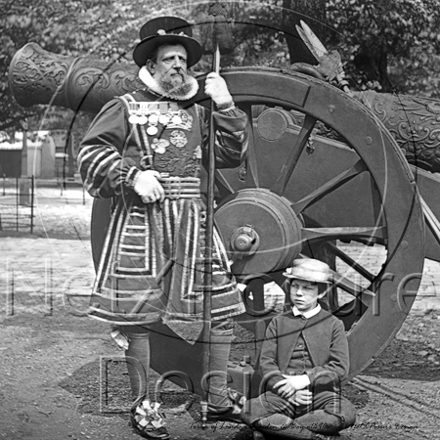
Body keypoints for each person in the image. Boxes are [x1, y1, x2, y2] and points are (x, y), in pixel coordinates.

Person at [78, 16, 249, 440]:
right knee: (139, 316)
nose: (178, 65)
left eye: (183, 58)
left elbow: (232, 154)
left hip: (193, 221)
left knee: (222, 308)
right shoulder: (124, 107)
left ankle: (217, 399)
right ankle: (144, 407)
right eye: (168, 58)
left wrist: (226, 106)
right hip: (143, 222)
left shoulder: (200, 110)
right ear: (151, 66)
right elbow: (89, 154)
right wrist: (132, 176)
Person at [241, 258, 356, 439]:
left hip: (319, 396)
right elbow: (266, 363)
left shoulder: (334, 324)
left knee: (345, 413)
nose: (299, 294)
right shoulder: (278, 322)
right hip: (282, 394)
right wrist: (286, 388)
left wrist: (303, 381)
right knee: (249, 410)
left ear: (321, 292)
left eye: (307, 288)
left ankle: (280, 431)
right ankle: (310, 436)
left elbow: (340, 368)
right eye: (295, 287)